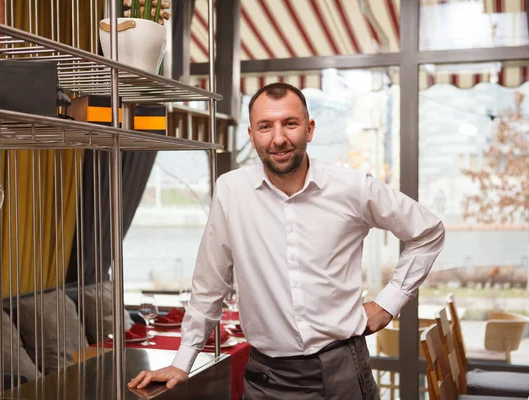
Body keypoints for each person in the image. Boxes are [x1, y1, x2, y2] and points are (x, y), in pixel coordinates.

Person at [128, 82, 445, 399]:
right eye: (265, 127)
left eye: (290, 124)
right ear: (252, 135)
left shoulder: (353, 187)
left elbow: (428, 232)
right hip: (266, 379)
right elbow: (210, 283)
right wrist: (183, 360)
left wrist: (388, 304)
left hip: (342, 373)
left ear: (309, 129)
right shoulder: (231, 191)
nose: (278, 138)